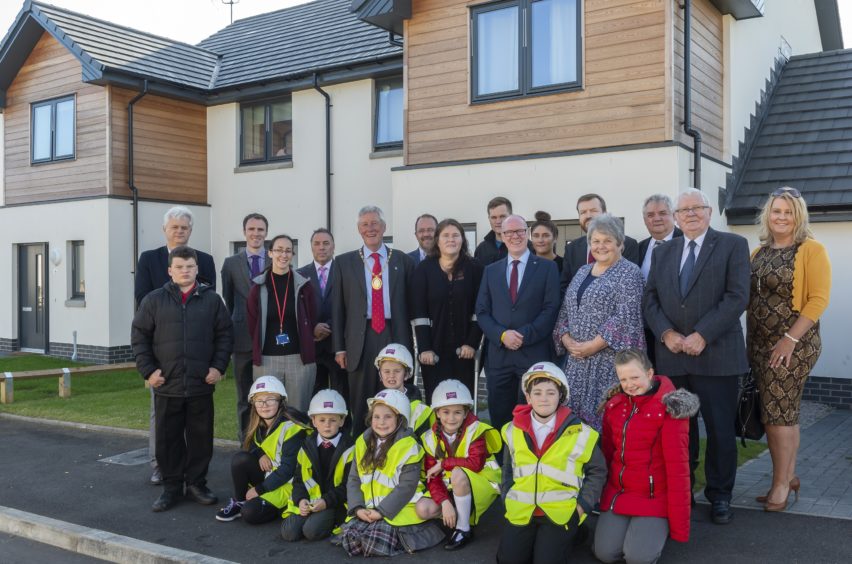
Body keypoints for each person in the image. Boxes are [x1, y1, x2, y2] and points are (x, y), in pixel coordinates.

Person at [644, 188, 750, 525]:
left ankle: (719, 496)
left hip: (717, 355)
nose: (690, 214)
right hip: (673, 356)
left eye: (697, 208)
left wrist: (703, 334)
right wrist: (666, 333)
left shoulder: (733, 245)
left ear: (709, 212)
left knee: (720, 430)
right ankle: (683, 490)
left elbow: (737, 296)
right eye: (684, 210)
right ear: (676, 217)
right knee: (679, 431)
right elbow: (650, 299)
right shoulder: (664, 251)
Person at [746, 187, 831, 512]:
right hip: (759, 344)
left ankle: (781, 483)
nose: (781, 217)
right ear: (768, 215)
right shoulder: (758, 252)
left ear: (798, 217)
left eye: (788, 212)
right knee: (782, 412)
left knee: (776, 415)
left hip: (794, 346)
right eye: (776, 211)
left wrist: (789, 340)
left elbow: (818, 299)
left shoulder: (811, 250)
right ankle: (786, 477)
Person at [131, 246, 233, 512]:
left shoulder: (212, 301)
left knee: (201, 439)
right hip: (167, 385)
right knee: (168, 441)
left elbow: (225, 335)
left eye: (189, 266)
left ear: (197, 269)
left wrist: (218, 367)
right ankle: (172, 488)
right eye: (179, 267)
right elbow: (139, 337)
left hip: (201, 384)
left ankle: (197, 484)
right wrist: (148, 371)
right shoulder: (153, 300)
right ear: (170, 270)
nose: (184, 271)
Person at [135, 205, 217, 486]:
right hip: (163, 351)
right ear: (164, 230)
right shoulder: (149, 259)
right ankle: (160, 465)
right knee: (161, 414)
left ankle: (193, 472)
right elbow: (142, 301)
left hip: (195, 353)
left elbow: (210, 304)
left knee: (196, 417)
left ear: (190, 230)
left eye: (184, 227)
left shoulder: (204, 260)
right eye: (174, 227)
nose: (179, 231)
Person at [594, 349, 698, 564]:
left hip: (653, 496)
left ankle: (656, 530)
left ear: (649, 373)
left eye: (635, 377)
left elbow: (678, 471)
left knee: (637, 558)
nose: (629, 384)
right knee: (605, 554)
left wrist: (680, 528)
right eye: (623, 379)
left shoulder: (670, 410)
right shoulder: (615, 405)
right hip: (619, 492)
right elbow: (607, 454)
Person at [497, 362, 606, 564]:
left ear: (561, 396)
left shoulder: (582, 432)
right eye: (537, 393)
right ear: (528, 397)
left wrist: (582, 507)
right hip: (522, 510)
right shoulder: (512, 430)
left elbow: (597, 471)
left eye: (551, 393)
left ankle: (576, 532)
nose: (544, 398)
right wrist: (507, 497)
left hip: (561, 512)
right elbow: (507, 470)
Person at [553, 214, 646, 431]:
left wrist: (593, 346)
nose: (600, 246)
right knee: (574, 425)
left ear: (620, 244)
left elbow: (626, 316)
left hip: (609, 362)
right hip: (577, 362)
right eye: (595, 241)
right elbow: (566, 308)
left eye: (607, 241)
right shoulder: (583, 271)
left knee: (606, 421)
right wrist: (566, 339)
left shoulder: (630, 272)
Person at [331, 206, 415, 435]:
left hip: (394, 333)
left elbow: (412, 302)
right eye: (365, 224)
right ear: (359, 230)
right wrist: (339, 347)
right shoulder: (344, 262)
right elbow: (337, 309)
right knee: (361, 400)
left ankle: (396, 445)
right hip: (360, 338)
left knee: (395, 397)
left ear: (384, 227)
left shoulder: (403, 261)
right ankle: (362, 446)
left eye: (375, 223)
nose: (370, 228)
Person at [476, 215, 561, 432]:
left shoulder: (547, 268)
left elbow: (551, 309)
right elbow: (482, 311)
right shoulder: (491, 271)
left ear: (527, 233)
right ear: (502, 236)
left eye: (519, 231)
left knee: (534, 417)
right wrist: (502, 335)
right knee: (500, 417)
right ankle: (503, 454)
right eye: (509, 232)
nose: (514, 236)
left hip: (533, 355)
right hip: (499, 357)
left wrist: (523, 335)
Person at [341, 389, 444, 556]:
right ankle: (372, 527)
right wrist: (357, 508)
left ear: (400, 419)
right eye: (376, 417)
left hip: (397, 509)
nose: (381, 422)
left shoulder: (409, 446)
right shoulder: (362, 442)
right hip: (368, 508)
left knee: (373, 544)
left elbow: (407, 487)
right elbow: (354, 479)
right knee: (351, 540)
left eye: (388, 417)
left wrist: (381, 512)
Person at [416, 379, 502, 551]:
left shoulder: (476, 430)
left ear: (465, 413)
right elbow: (432, 477)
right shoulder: (429, 437)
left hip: (480, 484)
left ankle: (464, 528)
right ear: (437, 413)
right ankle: (456, 511)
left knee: (457, 472)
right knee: (423, 509)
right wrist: (444, 502)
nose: (451, 418)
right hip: (452, 486)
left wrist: (443, 463)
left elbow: (475, 464)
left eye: (457, 412)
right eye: (446, 412)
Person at [215, 376, 313, 524]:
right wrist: (260, 454)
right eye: (259, 401)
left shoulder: (292, 427)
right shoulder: (259, 421)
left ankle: (281, 506)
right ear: (253, 403)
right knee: (240, 459)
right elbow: (249, 442)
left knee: (250, 513)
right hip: (271, 474)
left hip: (289, 483)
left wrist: (259, 489)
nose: (264, 405)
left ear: (281, 401)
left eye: (270, 399)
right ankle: (239, 501)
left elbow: (288, 470)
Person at [412, 218, 484, 400]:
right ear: (437, 240)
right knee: (436, 399)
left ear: (462, 239)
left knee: (464, 399)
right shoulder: (423, 269)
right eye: (445, 235)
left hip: (465, 351)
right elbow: (419, 313)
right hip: (433, 350)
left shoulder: (475, 268)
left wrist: (472, 343)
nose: (451, 239)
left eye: (455, 235)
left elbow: (480, 310)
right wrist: (424, 348)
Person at [247, 234, 318, 412]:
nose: (283, 255)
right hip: (267, 360)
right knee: (268, 414)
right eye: (279, 250)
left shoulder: (304, 286)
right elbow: (252, 324)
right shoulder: (258, 287)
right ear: (270, 253)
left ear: (292, 254)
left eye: (288, 251)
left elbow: (312, 319)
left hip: (299, 360)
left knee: (298, 413)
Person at [281, 389, 355, 541]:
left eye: (332, 420)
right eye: (322, 420)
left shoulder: (350, 448)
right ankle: (312, 517)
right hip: (311, 501)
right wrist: (301, 500)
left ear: (342, 421)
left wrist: (326, 502)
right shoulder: (306, 446)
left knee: (311, 531)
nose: (327, 425)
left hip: (335, 503)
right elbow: (299, 480)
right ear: (313, 421)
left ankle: (332, 522)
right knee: (289, 532)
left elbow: (349, 486)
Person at [221, 213, 269, 441]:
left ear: (266, 233)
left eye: (260, 229)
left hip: (269, 339)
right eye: (251, 229)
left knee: (268, 394)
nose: (256, 233)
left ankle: (268, 440)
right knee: (244, 395)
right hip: (241, 339)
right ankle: (245, 442)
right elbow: (229, 301)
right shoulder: (231, 264)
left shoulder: (275, 260)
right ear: (244, 232)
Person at [298, 228, 349, 401]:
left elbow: (351, 306)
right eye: (317, 243)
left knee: (341, 396)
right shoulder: (299, 275)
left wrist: (330, 326)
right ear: (311, 247)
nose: (321, 247)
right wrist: (312, 328)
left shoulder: (346, 272)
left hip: (339, 346)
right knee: (314, 397)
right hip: (312, 347)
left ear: (333, 247)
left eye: (326, 243)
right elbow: (297, 310)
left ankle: (343, 420)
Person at [560, 194, 641, 295]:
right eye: (583, 212)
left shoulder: (627, 244)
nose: (588, 215)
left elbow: (630, 285)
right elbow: (564, 287)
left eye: (593, 210)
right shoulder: (572, 248)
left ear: (605, 213)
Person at [636, 195, 682, 366]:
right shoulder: (638, 248)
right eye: (650, 215)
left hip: (677, 331)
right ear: (644, 220)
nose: (656, 218)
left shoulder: (686, 242)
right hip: (644, 331)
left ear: (674, 216)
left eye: (662, 213)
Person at [375, 344, 435, 436]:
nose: (391, 375)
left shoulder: (419, 409)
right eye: (387, 371)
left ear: (406, 374)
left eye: (397, 371)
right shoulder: (377, 402)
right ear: (380, 375)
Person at [474, 196, 513, 266]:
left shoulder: (525, 246)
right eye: (494, 217)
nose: (498, 221)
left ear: (511, 216)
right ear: (489, 219)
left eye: (502, 216)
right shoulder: (481, 249)